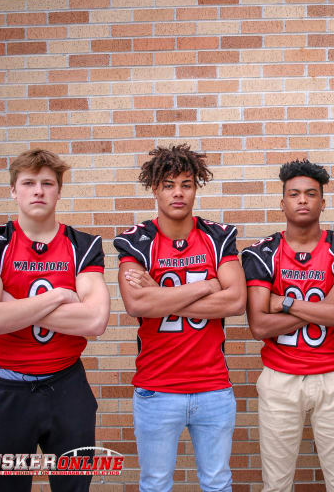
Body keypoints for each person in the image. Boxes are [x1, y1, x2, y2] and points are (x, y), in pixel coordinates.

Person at [0, 149, 110, 492]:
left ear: (59, 191)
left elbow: (94, 321)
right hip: (7, 393)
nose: (38, 191)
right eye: (28, 183)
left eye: (47, 183)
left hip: (68, 388)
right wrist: (59, 295)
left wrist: (13, 307)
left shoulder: (84, 245)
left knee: (74, 487)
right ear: (13, 190)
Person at [114, 144, 246, 492]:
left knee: (217, 482)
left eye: (186, 184)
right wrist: (207, 284)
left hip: (213, 386)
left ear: (196, 187)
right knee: (156, 484)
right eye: (169, 184)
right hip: (156, 388)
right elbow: (137, 303)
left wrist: (161, 295)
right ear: (154, 188)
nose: (178, 192)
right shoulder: (137, 241)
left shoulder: (218, 237)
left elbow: (235, 301)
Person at [241, 159, 334, 492]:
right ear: (282, 203)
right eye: (294, 194)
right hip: (280, 378)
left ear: (322, 202)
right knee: (276, 485)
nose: (303, 200)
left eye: (311, 194)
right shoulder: (262, 253)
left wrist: (285, 301)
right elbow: (259, 326)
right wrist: (327, 304)